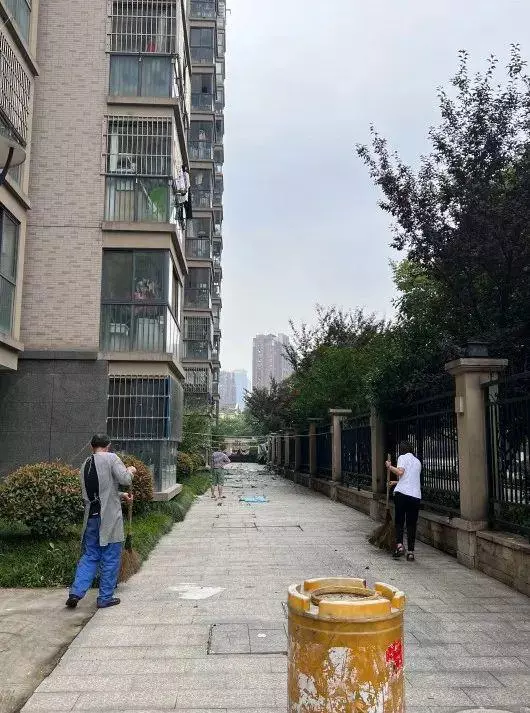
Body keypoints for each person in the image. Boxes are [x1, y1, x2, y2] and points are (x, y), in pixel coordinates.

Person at [66, 434, 137, 609]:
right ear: (108, 446)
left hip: (91, 517)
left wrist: (121, 495)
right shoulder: (111, 458)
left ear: (92, 447)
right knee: (111, 556)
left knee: (90, 556)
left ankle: (76, 593)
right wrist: (130, 471)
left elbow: (99, 493)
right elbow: (125, 479)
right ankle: (105, 598)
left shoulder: (85, 463)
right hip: (109, 519)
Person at [385, 441, 422, 562]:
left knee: (400, 521)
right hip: (415, 496)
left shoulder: (402, 457)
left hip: (402, 495)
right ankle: (410, 552)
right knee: (411, 524)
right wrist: (395, 482)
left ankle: (400, 546)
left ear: (402, 450)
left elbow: (400, 472)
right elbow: (409, 479)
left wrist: (389, 466)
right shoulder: (417, 462)